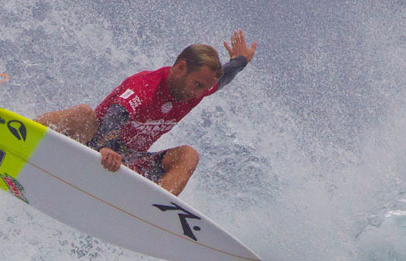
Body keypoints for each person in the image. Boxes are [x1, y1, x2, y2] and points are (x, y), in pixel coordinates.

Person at [35, 30, 257, 196]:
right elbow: (116, 114)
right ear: (180, 68)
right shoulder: (145, 86)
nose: (198, 93)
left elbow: (225, 76)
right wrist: (107, 148)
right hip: (93, 147)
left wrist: (241, 61)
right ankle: (17, 132)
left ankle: (155, 211)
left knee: (188, 155)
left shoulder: (196, 89)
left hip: (129, 163)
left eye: (203, 88)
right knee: (83, 114)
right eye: (197, 84)